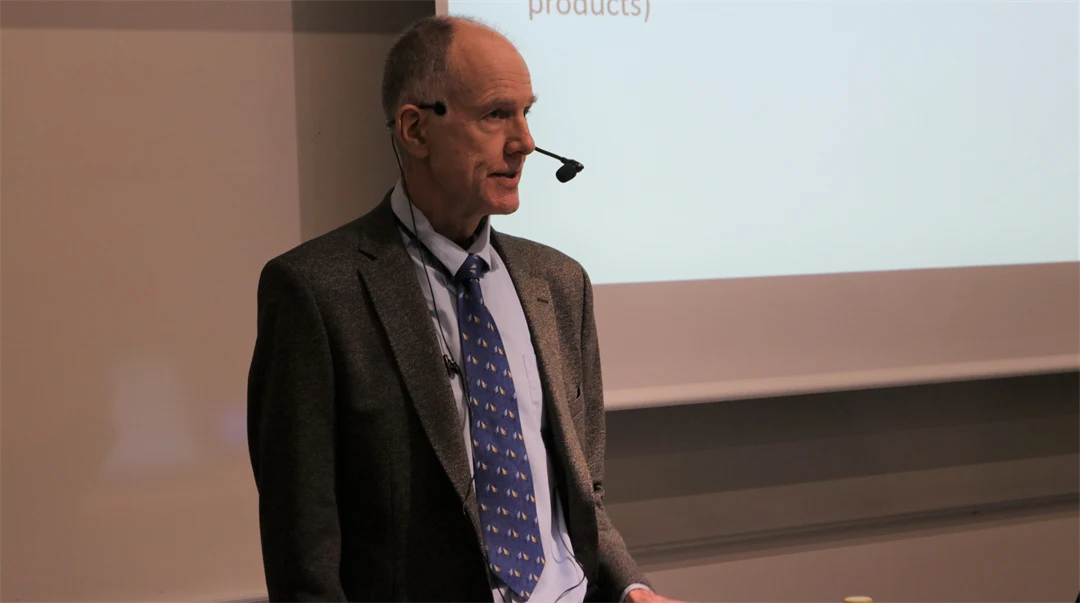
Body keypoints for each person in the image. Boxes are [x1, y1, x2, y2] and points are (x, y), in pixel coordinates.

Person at [247, 15, 689, 603]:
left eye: (527, 111)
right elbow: (304, 558)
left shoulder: (559, 285)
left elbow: (582, 502)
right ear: (415, 130)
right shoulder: (316, 293)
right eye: (495, 114)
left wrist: (631, 588)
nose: (525, 141)